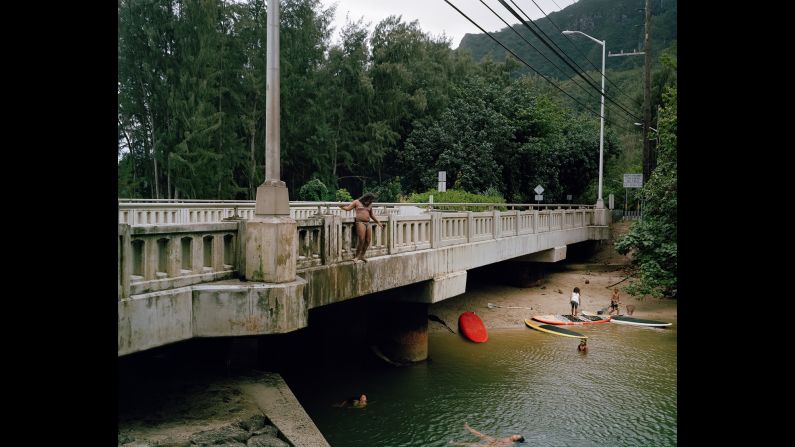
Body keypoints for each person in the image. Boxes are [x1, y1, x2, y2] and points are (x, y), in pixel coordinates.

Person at [339, 193, 385, 263]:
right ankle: (357, 256)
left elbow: (372, 215)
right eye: (369, 200)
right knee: (361, 240)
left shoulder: (370, 204)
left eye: (371, 201)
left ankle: (362, 255)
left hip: (368, 223)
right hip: (360, 222)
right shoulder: (356, 202)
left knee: (368, 240)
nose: (370, 202)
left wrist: (378, 223)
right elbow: (348, 208)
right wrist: (341, 206)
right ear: (365, 198)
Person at [449, 422, 525, 446]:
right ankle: (468, 428)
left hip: (493, 445)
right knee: (481, 435)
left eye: (516, 436)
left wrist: (489, 445)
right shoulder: (509, 438)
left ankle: (455, 443)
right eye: (516, 434)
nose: (515, 435)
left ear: (516, 440)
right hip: (495, 440)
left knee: (475, 444)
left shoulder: (510, 443)